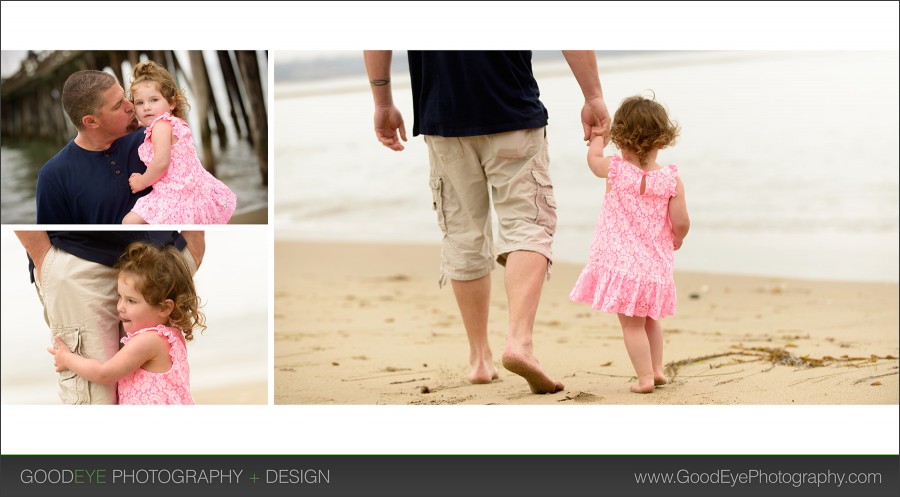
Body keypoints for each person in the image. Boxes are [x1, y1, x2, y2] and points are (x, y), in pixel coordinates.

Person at [364, 50, 611, 394]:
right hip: (511, 109)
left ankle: (480, 358)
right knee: (528, 224)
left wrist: (383, 101)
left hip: (442, 112)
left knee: (463, 234)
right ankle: (519, 342)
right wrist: (593, 96)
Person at [569, 94, 690, 393]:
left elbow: (593, 161)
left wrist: (597, 138)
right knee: (650, 319)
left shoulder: (615, 169)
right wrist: (678, 238)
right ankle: (658, 370)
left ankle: (645, 378)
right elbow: (682, 221)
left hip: (623, 265)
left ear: (620, 138)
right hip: (654, 266)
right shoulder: (671, 179)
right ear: (662, 140)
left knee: (631, 325)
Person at [16, 230, 204, 404]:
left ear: (165, 307)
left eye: (131, 301)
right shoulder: (171, 333)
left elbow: (104, 373)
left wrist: (67, 358)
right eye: (120, 296)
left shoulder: (147, 341)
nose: (120, 307)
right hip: (77, 252)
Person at [123, 61, 236, 224]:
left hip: (175, 194)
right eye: (140, 103)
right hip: (194, 190)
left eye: (154, 100)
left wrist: (142, 181)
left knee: (129, 222)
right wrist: (142, 124)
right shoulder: (171, 123)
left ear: (172, 103)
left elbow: (161, 163)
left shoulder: (160, 127)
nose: (146, 107)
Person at [36, 70, 146, 224]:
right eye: (117, 105)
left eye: (125, 97)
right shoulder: (54, 177)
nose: (131, 105)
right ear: (91, 122)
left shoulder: (150, 137)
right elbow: (51, 239)